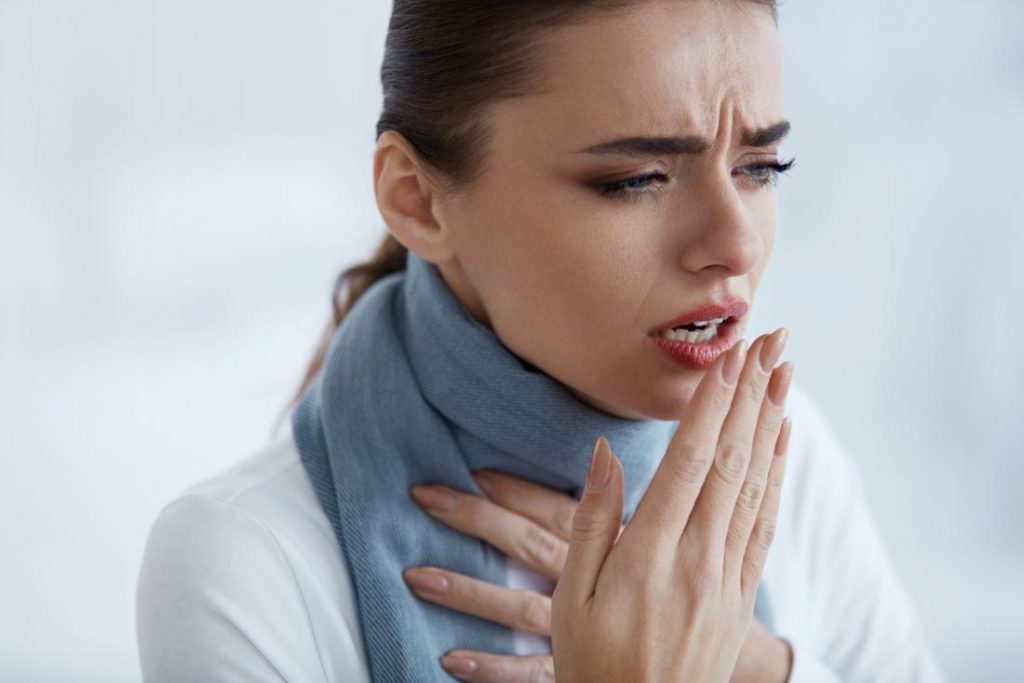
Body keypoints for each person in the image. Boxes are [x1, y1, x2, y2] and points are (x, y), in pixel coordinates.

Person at [135, 1, 946, 681]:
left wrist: (763, 666)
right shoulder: (243, 564)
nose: (736, 243)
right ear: (417, 200)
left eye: (762, 166)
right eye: (635, 179)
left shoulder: (789, 464)